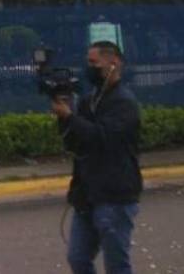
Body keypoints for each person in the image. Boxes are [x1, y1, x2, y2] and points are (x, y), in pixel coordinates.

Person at [53, 40, 142, 274]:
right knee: (78, 258)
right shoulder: (89, 99)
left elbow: (102, 137)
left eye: (94, 63)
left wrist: (71, 118)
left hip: (114, 196)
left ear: (114, 63)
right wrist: (64, 118)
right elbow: (75, 141)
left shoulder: (124, 103)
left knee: (116, 265)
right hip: (87, 195)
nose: (89, 68)